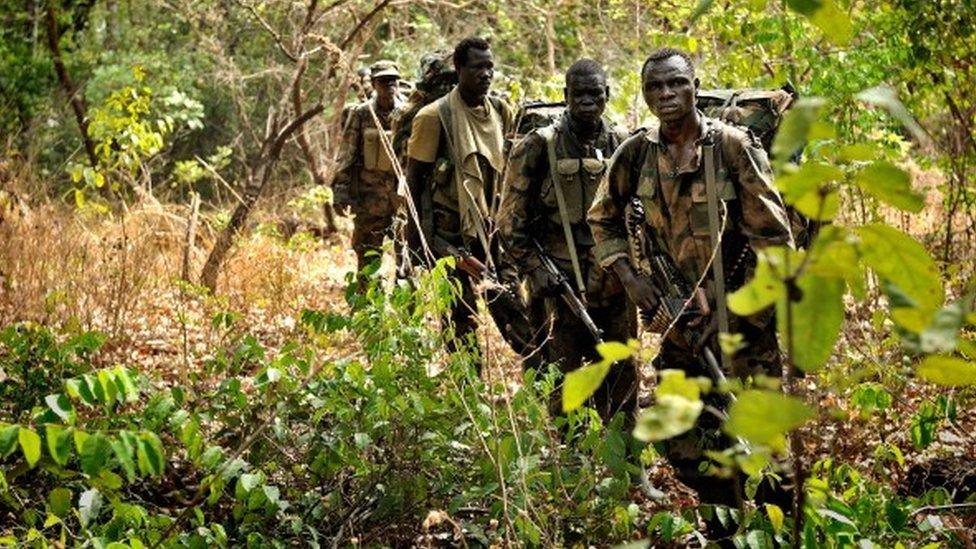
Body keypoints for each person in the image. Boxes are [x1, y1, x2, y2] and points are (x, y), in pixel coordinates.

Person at [586, 47, 794, 521]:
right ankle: (722, 519)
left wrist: (727, 306)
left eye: (676, 83)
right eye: (655, 86)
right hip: (678, 326)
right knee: (685, 439)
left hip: (744, 327)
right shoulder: (636, 152)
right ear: (644, 94)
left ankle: (774, 527)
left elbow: (775, 240)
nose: (666, 94)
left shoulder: (733, 147)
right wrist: (631, 278)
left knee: (765, 445)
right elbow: (602, 219)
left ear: (695, 87)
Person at [496, 58, 637, 425]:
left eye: (596, 93)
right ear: (566, 96)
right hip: (560, 285)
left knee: (622, 376)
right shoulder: (538, 146)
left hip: (613, 281)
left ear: (607, 95)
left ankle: (627, 463)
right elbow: (510, 224)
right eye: (579, 94)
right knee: (564, 381)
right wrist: (536, 271)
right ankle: (572, 468)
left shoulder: (624, 144)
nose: (588, 101)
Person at [405, 37, 536, 368]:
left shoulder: (502, 111)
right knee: (460, 320)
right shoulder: (434, 117)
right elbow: (413, 181)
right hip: (451, 235)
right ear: (459, 69)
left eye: (490, 66)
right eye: (478, 67)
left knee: (512, 309)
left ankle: (545, 382)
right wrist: (416, 239)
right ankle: (468, 390)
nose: (486, 74)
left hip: (492, 231)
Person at [332, 60, 406, 275]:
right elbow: (346, 154)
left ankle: (408, 306)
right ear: (373, 84)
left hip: (401, 200)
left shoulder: (407, 113)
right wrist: (340, 192)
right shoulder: (361, 114)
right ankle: (367, 305)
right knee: (367, 257)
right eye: (383, 81)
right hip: (369, 200)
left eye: (393, 80)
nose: (389, 85)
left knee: (408, 260)